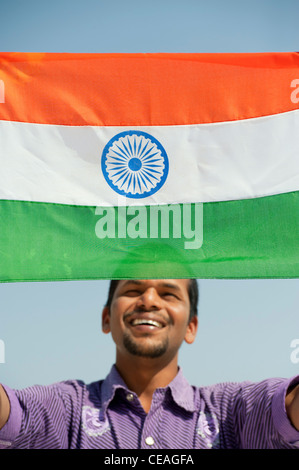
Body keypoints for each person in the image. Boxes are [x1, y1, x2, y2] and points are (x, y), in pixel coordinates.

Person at [0, 278, 299, 449]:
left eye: (168, 293)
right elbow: (14, 416)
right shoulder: (67, 410)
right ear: (106, 318)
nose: (149, 300)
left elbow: (285, 410)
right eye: (132, 290)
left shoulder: (227, 411)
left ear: (191, 326)